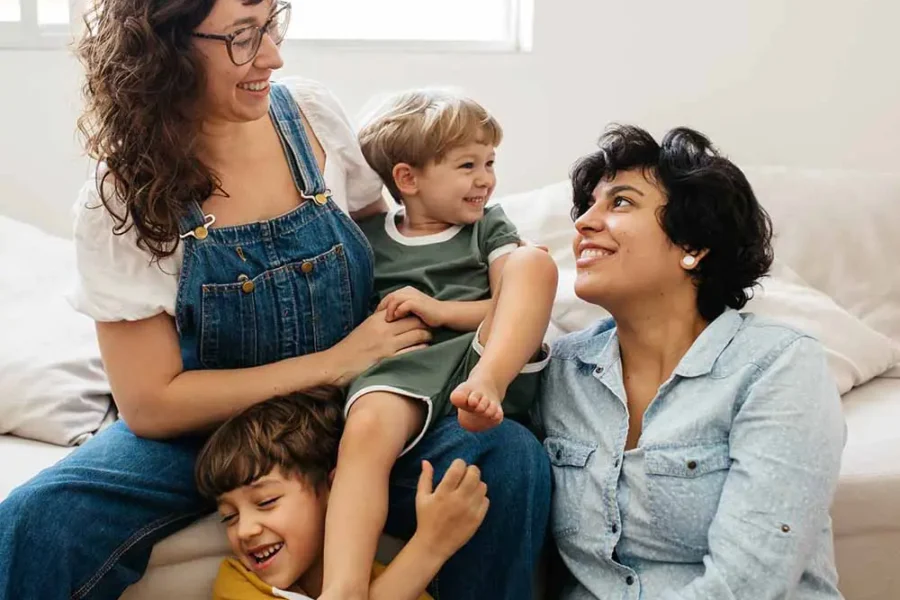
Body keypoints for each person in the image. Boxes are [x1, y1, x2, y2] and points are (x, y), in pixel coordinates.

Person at [0, 1, 550, 598]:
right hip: (213, 432)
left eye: (271, 24)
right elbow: (151, 404)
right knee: (41, 519)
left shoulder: (311, 116)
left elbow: (390, 247)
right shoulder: (120, 196)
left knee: (505, 459)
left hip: (356, 409)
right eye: (242, 36)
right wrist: (331, 362)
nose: (272, 55)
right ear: (165, 48)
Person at [537, 125, 845, 599]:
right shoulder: (561, 370)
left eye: (620, 202)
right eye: (588, 206)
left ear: (693, 246)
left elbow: (749, 582)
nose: (584, 224)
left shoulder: (777, 364)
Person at [318, 90, 558, 599]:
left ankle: (486, 387)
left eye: (490, 162)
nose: (486, 179)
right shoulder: (367, 237)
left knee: (532, 263)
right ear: (408, 179)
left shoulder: (489, 228)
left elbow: (510, 302)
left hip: (482, 359)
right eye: (467, 165)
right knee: (365, 432)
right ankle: (343, 590)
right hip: (407, 365)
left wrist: (441, 310)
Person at [194, 388, 489, 600]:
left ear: (334, 489)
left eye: (265, 502)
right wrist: (430, 547)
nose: (244, 530)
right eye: (229, 517)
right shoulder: (236, 584)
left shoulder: (386, 576)